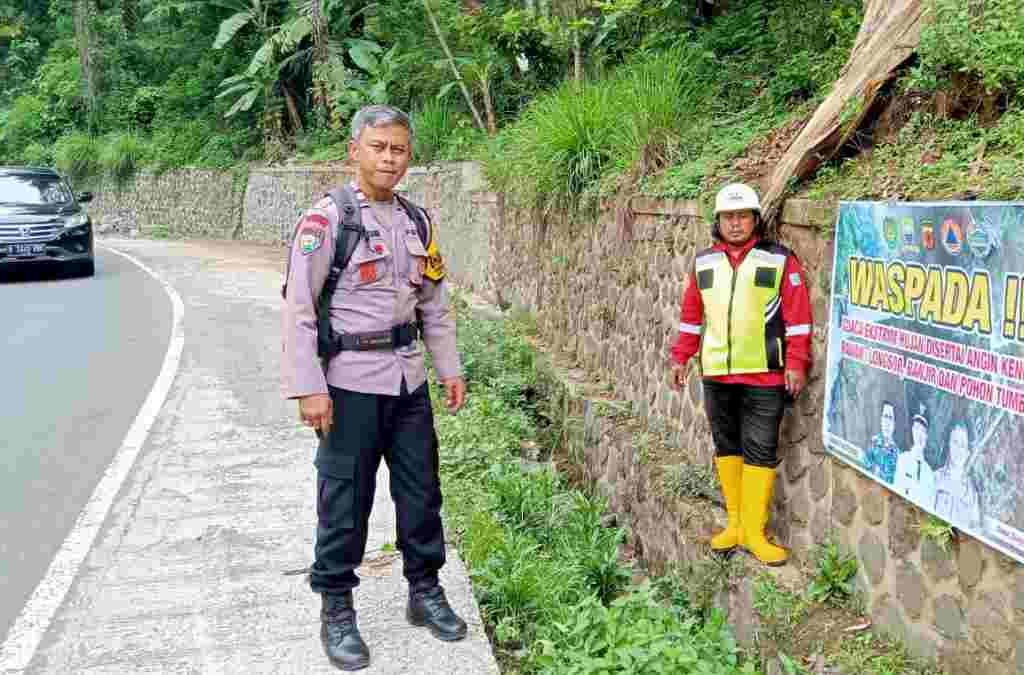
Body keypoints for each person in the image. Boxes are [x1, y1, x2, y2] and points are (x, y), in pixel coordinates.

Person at [282, 105, 468, 671]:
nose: (390, 158)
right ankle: (337, 610)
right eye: (379, 147)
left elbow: (433, 304)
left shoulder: (419, 223)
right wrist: (309, 388)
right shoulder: (326, 221)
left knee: (420, 493)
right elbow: (298, 310)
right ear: (354, 151)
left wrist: (449, 367)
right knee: (345, 502)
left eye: (400, 149)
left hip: (408, 381)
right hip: (348, 387)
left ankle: (425, 591)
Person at [669, 183, 813, 566]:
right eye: (728, 217)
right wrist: (681, 358)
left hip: (766, 374)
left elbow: (797, 320)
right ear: (718, 222)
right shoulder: (704, 264)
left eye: (742, 216)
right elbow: (691, 318)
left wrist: (796, 363)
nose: (735, 223)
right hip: (716, 373)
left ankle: (755, 531)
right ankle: (734, 524)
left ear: (755, 220)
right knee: (727, 446)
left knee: (761, 449)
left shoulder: (780, 261)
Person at [933, 420, 981, 530]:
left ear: (968, 452)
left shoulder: (972, 493)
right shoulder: (935, 478)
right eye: (955, 442)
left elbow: (975, 528)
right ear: (948, 444)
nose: (959, 449)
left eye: (963, 445)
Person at [894, 403, 936, 508]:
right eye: (917, 428)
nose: (919, 434)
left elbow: (930, 505)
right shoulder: (902, 460)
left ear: (927, 436)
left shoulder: (929, 473)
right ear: (912, 431)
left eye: (923, 431)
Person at [863, 400, 900, 484]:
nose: (887, 422)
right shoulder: (873, 442)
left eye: (890, 417)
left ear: (894, 423)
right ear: (881, 420)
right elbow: (864, 466)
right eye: (885, 416)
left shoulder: (898, 454)